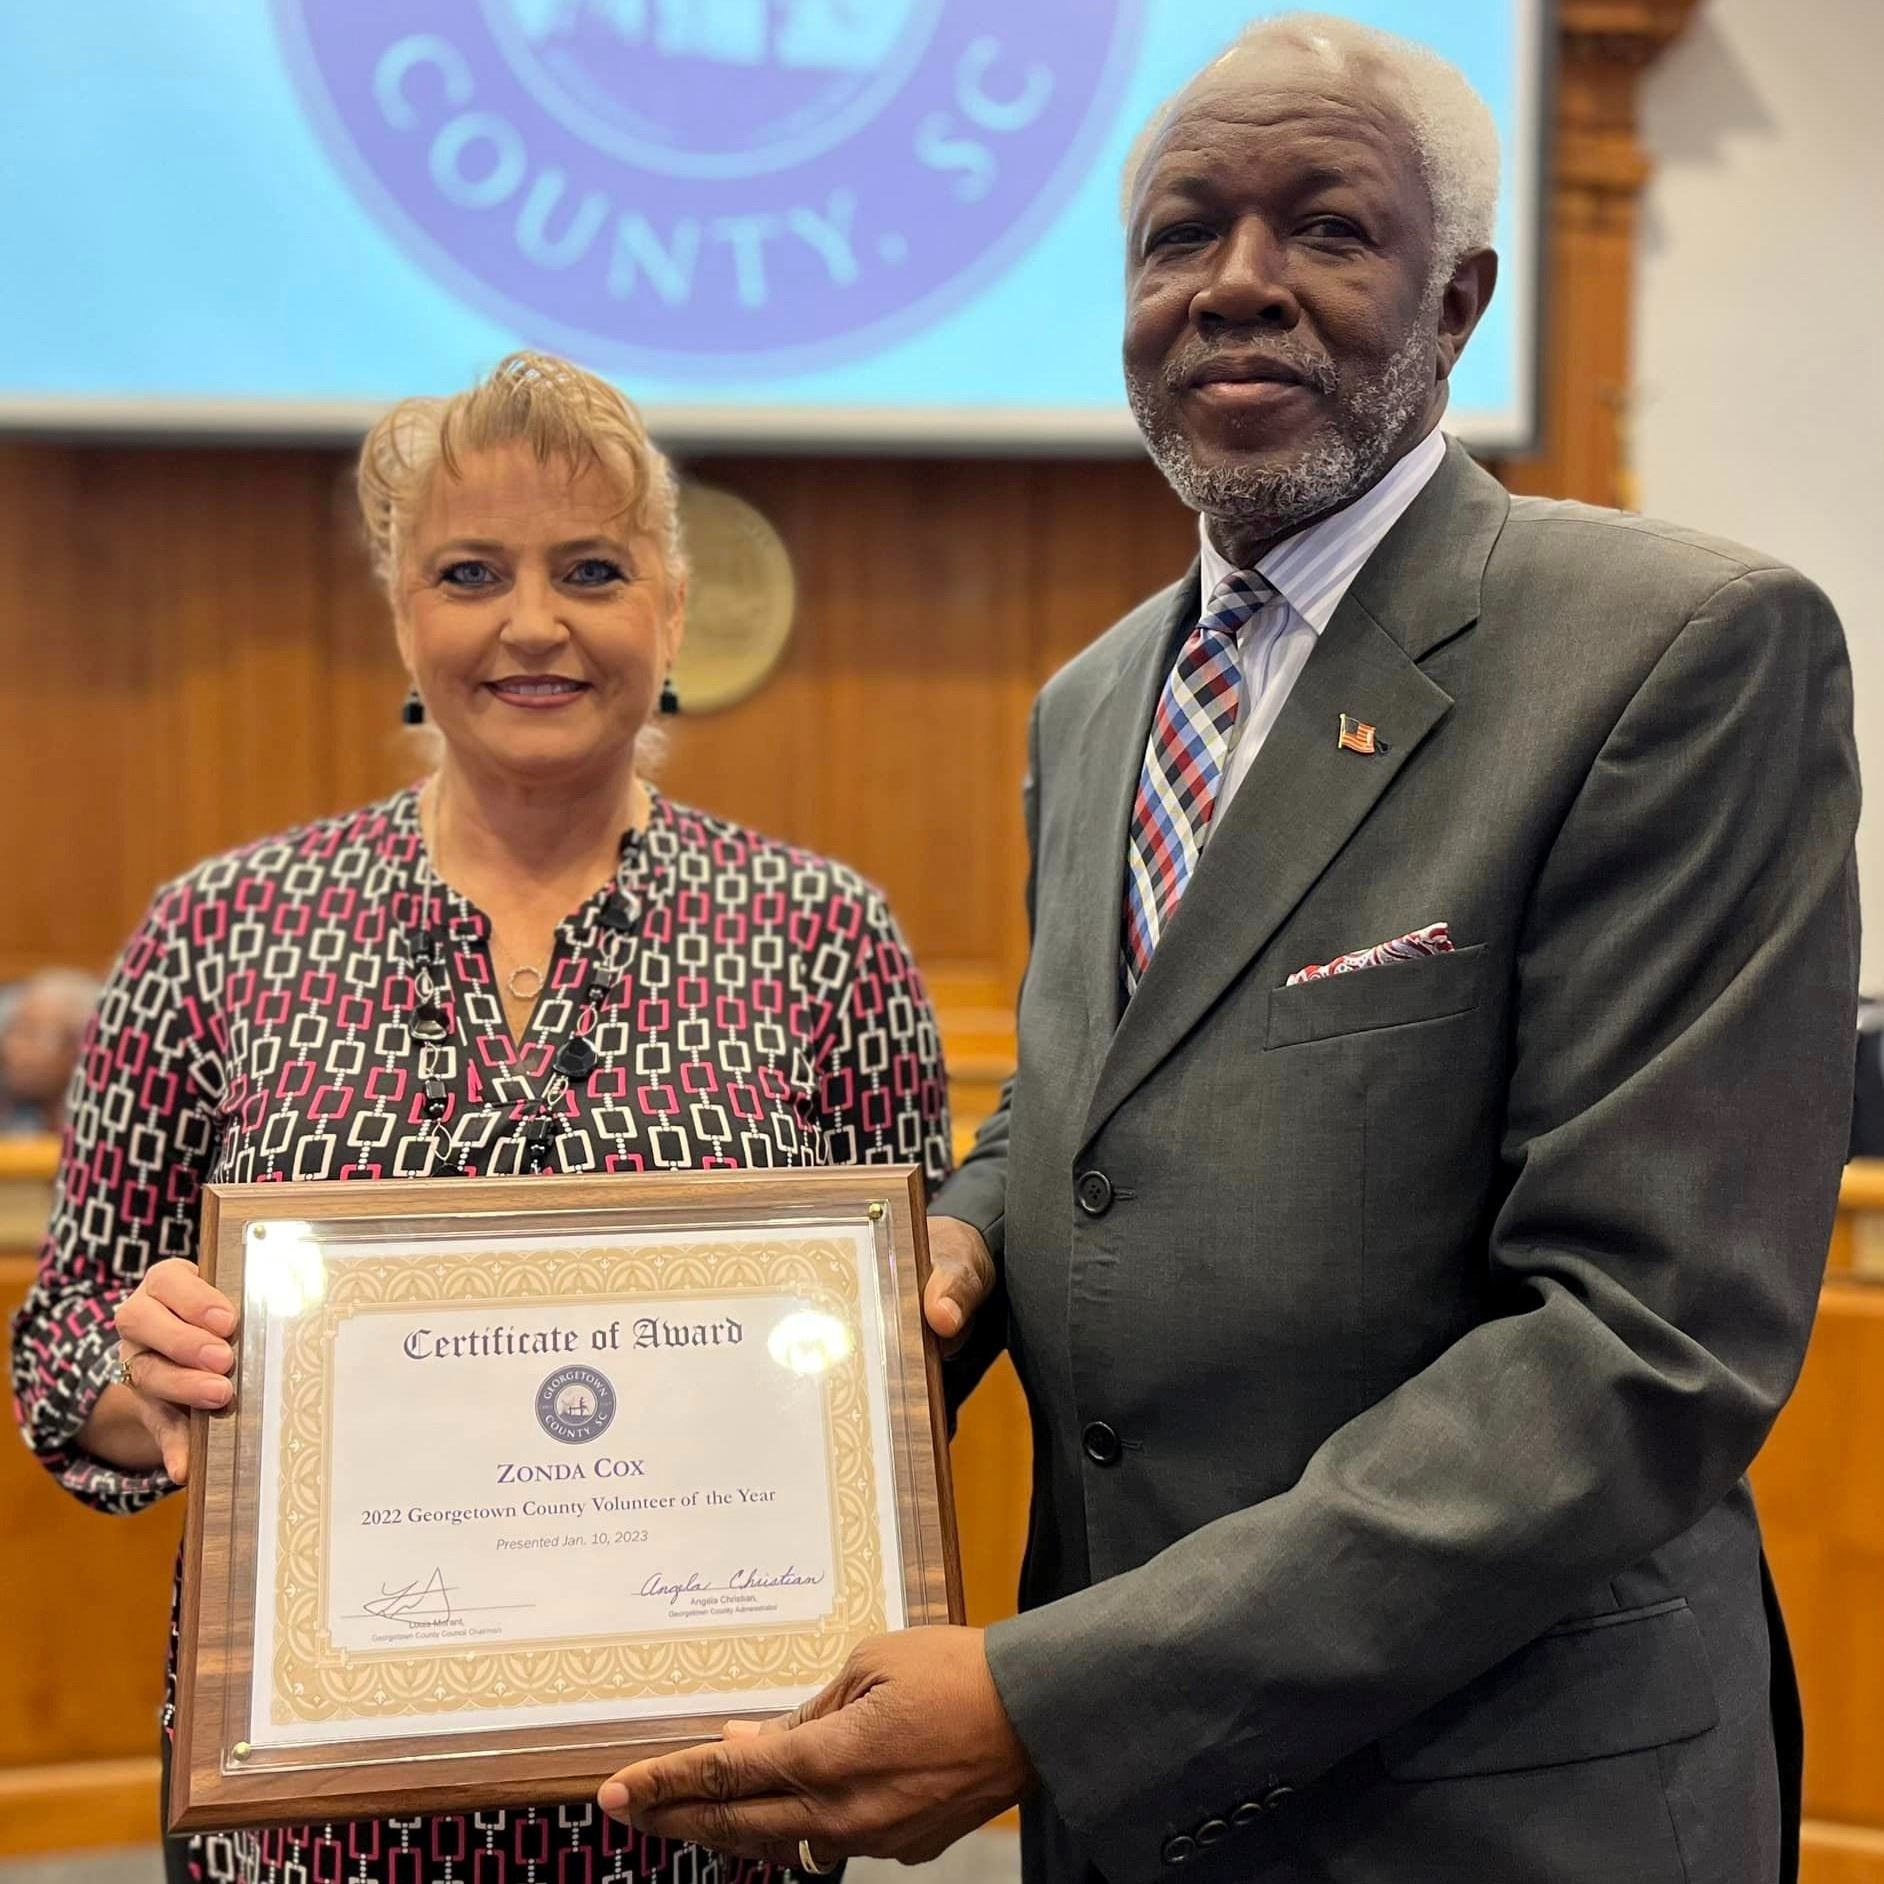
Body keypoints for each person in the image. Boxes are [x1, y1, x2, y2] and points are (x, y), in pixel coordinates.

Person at [599, 16, 1859, 1884]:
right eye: (1179, 234)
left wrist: (1058, 1697)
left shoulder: (1672, 652)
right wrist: (963, 1232)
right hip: (1144, 1823)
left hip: (1498, 1803)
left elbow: (1640, 1341)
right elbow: (1090, 1112)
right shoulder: (1092, 701)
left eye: (1325, 230)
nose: (1236, 284)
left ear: (1457, 300)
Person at [8, 351, 950, 1884]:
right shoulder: (213, 930)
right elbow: (60, 1352)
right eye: (469, 573)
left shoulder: (825, 937)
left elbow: (915, 1364)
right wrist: (146, 1375)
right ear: (402, 614)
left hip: (706, 1825)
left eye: (591, 569)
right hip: (316, 1836)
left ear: (668, 608)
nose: (532, 623)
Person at [0, 969, 101, 1135]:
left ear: (77, 1048)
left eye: (30, 1034)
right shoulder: (9, 1105)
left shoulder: (94, 1131)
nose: (12, 1047)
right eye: (13, 1029)